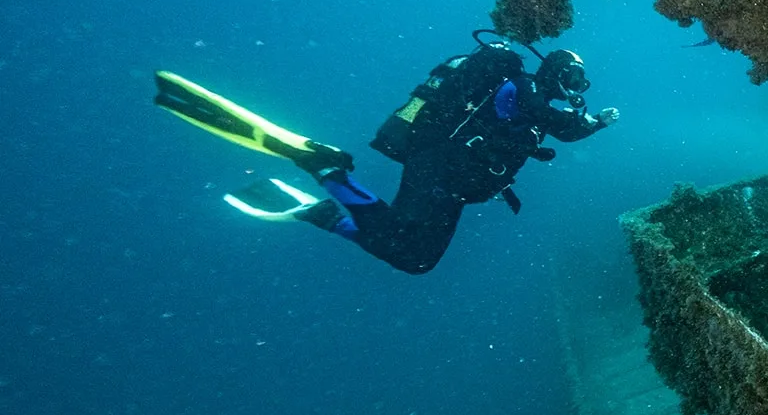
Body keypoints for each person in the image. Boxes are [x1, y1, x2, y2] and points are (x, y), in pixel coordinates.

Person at [154, 33, 617, 274]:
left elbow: (525, 135)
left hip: (452, 184)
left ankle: (323, 212)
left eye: (579, 84)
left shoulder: (525, 102)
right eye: (573, 80)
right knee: (403, 240)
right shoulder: (520, 87)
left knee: (417, 259)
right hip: (437, 168)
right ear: (555, 74)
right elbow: (563, 128)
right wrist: (595, 121)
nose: (576, 90)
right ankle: (324, 168)